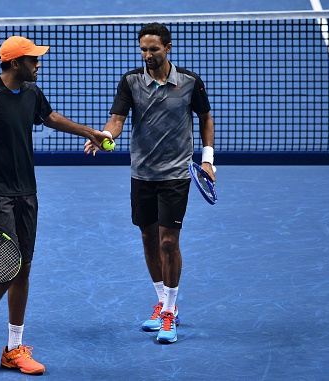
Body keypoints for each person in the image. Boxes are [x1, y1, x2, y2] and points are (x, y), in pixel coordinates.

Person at [0, 35, 111, 374]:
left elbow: (48, 117)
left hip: (25, 191)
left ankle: (14, 348)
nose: (39, 64)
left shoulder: (31, 92)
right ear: (16, 63)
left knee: (25, 267)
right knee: (9, 266)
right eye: (33, 59)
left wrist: (87, 132)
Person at [85, 22, 216, 344]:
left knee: (168, 242)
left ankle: (170, 311)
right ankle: (161, 300)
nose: (148, 55)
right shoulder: (131, 81)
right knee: (147, 238)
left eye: (154, 49)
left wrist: (208, 158)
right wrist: (105, 136)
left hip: (174, 175)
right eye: (143, 49)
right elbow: (117, 119)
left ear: (168, 48)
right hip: (141, 173)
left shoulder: (189, 82)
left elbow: (205, 117)